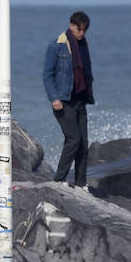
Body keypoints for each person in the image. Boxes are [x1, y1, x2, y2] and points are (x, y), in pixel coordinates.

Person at [42, 11, 94, 189]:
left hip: (80, 101)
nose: (82, 34)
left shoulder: (83, 45)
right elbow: (47, 75)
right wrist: (54, 98)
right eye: (80, 30)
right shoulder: (56, 46)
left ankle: (81, 184)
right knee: (73, 139)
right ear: (71, 26)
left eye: (85, 31)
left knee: (83, 144)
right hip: (63, 101)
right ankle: (59, 180)